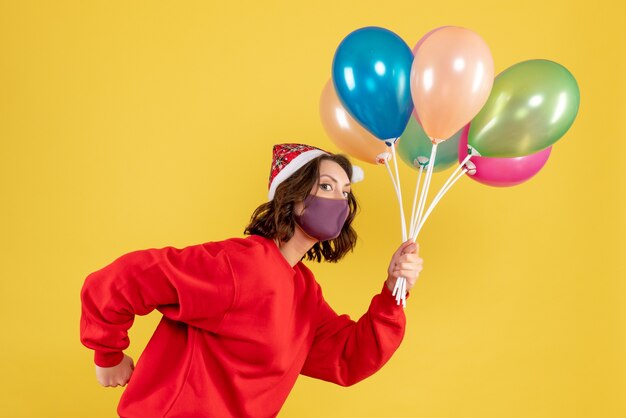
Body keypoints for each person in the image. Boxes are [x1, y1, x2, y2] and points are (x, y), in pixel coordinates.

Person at [80, 143, 423, 417]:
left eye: (346, 192)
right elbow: (125, 279)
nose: (340, 200)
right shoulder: (240, 265)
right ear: (293, 194)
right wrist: (108, 355)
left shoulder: (303, 289)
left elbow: (347, 357)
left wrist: (395, 291)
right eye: (326, 186)